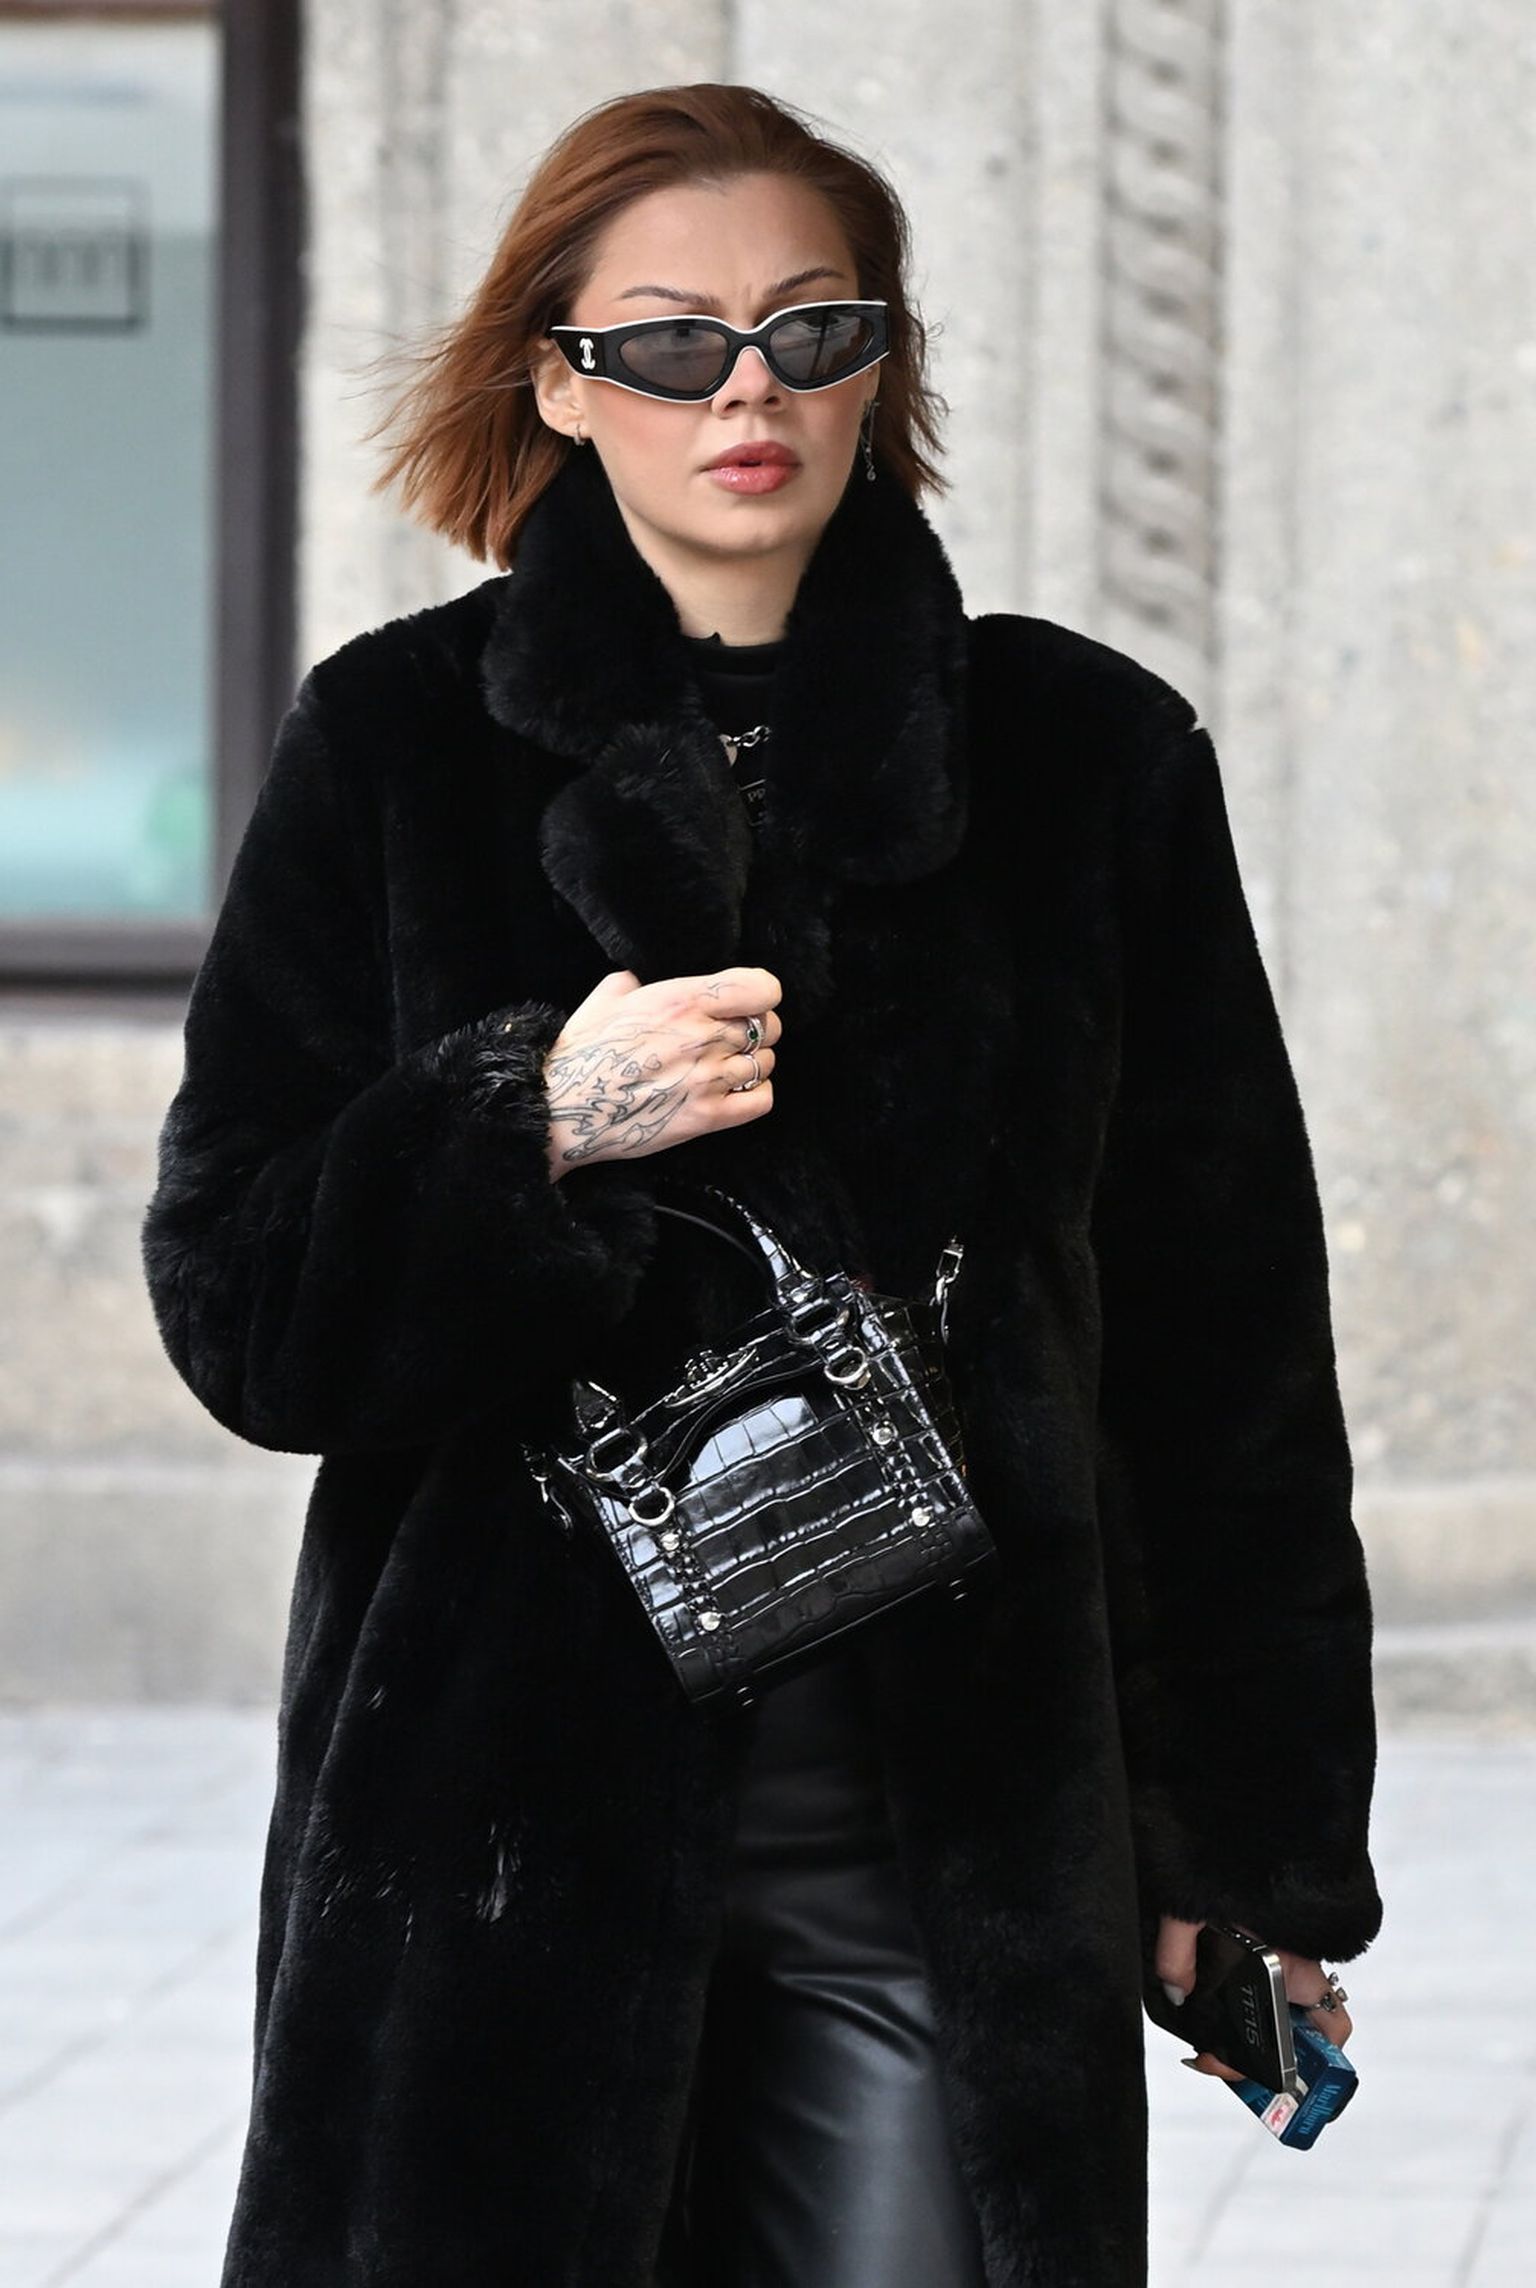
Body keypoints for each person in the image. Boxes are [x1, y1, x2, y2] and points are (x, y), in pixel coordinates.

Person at [142, 81, 1382, 2288]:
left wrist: (1245, 1842)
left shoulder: (1083, 758)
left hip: (942, 1825)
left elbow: (1227, 1344)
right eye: (670, 341)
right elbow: (243, 1309)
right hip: (496, 1816)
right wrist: (529, 1121)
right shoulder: (395, 744)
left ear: (880, 367)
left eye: (814, 332)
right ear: (558, 379)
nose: (750, 390)